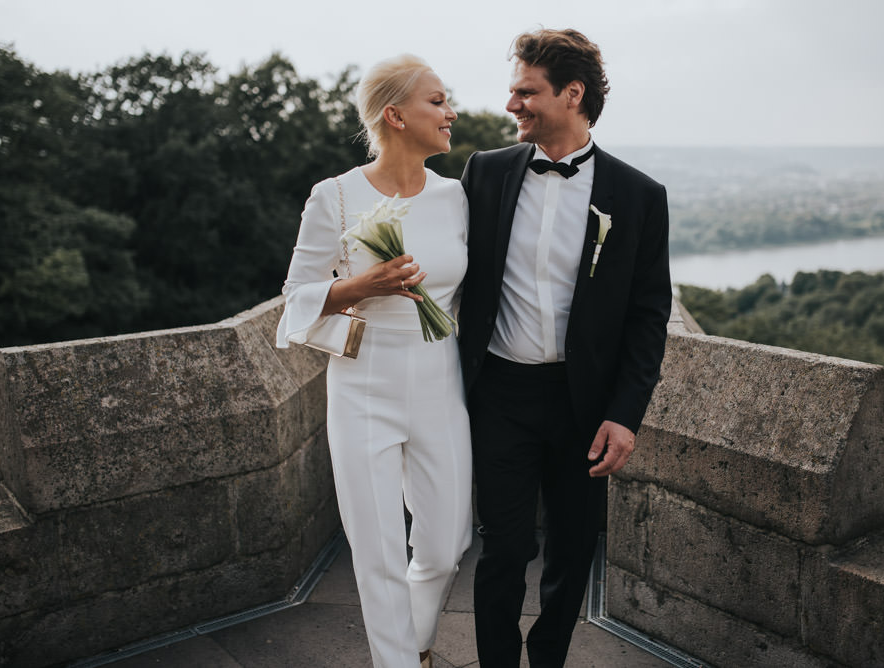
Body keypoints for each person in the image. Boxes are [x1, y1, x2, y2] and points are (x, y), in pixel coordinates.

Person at [458, 29, 672, 667]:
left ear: (571, 93)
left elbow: (647, 315)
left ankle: (547, 657)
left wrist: (625, 415)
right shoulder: (485, 173)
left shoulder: (638, 196)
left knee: (575, 549)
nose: (511, 104)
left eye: (526, 91)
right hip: (499, 393)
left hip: (585, 405)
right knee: (502, 547)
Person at [275, 54, 472, 668]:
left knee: (445, 543)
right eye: (437, 101)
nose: (451, 112)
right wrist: (363, 286)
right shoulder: (333, 197)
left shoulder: (458, 197)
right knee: (378, 547)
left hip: (442, 379)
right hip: (363, 382)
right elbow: (295, 300)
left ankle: (411, 643)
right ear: (395, 114)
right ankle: (399, 662)